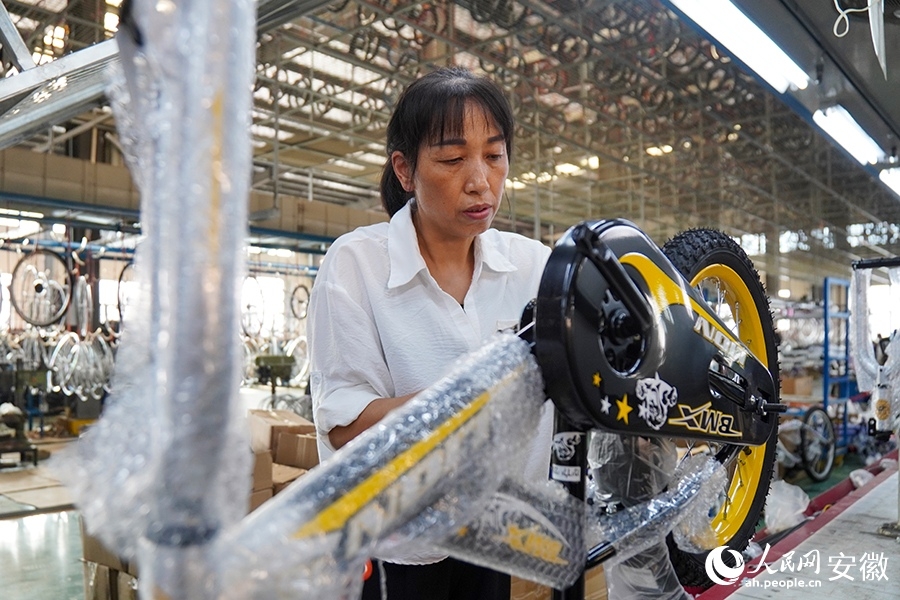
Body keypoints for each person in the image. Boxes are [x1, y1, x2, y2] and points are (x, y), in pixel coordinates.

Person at [307, 66, 552, 600]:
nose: (480, 180)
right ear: (405, 169)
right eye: (452, 159)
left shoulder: (533, 266)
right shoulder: (357, 265)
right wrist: (463, 404)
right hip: (395, 544)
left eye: (494, 155)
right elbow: (345, 423)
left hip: (488, 533)